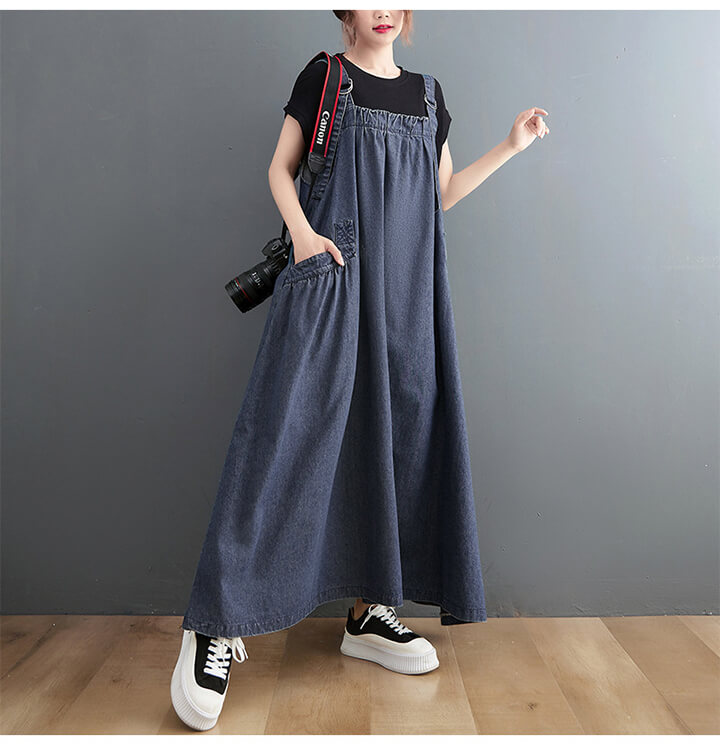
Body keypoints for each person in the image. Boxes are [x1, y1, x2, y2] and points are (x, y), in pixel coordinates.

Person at [171, 9, 549, 731]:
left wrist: (510, 145)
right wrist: (304, 238)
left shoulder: (428, 94)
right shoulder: (325, 77)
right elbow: (280, 170)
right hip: (334, 277)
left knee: (400, 440)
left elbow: (438, 195)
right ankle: (214, 623)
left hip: (406, 292)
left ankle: (369, 611)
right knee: (285, 442)